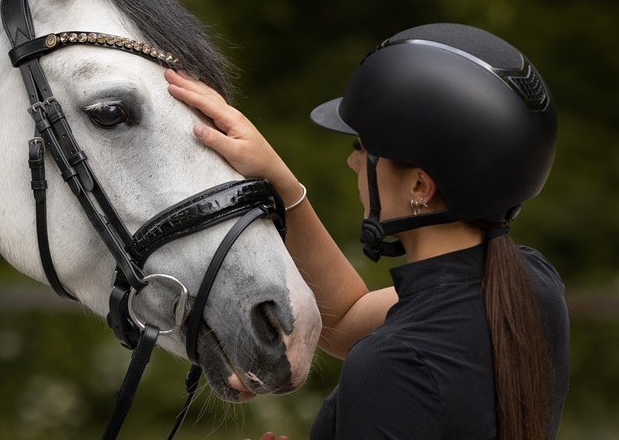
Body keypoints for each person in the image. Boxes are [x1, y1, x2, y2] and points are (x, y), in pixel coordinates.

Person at [166, 23, 569, 439]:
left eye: (361, 148)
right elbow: (346, 317)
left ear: (419, 187)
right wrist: (278, 182)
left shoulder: (393, 364)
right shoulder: (531, 284)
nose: (353, 163)